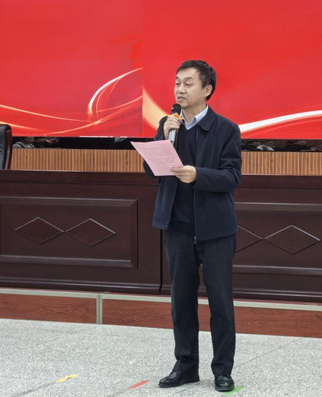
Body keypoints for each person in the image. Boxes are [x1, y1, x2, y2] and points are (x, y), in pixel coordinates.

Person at [143, 60, 241, 393]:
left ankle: (223, 370)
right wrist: (163, 137)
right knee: (181, 301)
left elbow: (232, 177)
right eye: (177, 83)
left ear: (207, 90)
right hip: (178, 225)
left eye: (188, 83)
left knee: (220, 303)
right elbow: (152, 171)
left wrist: (198, 175)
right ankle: (185, 366)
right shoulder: (168, 125)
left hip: (216, 229)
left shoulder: (226, 129)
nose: (180, 90)